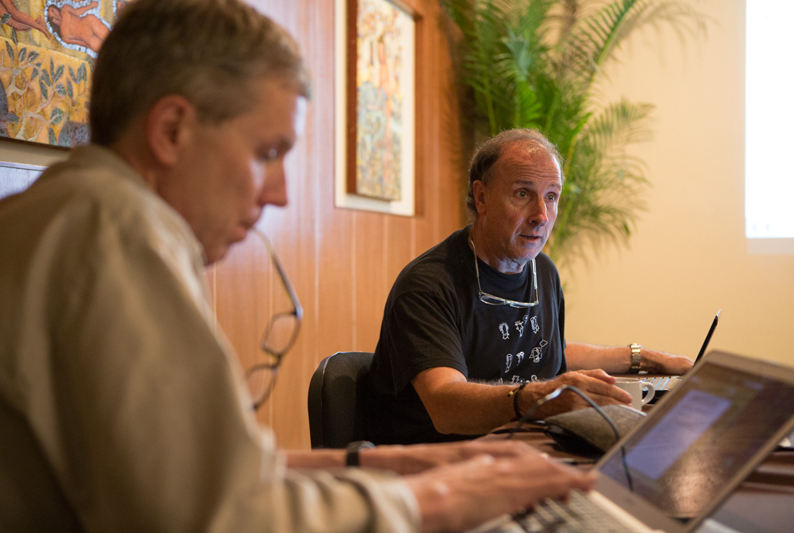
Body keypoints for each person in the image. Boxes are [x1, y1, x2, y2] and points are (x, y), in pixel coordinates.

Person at [0, 1, 595, 531]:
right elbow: (218, 517)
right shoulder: (117, 237)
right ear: (172, 129)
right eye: (267, 153)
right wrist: (432, 501)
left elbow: (199, 474)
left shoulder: (67, 216)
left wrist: (392, 462)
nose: (281, 193)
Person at [366, 129, 694, 445]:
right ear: (482, 197)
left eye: (551, 197)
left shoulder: (544, 273)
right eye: (523, 194)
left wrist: (646, 360)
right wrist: (535, 398)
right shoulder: (429, 286)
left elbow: (549, 351)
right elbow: (445, 406)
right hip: (433, 466)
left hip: (522, 448)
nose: (541, 215)